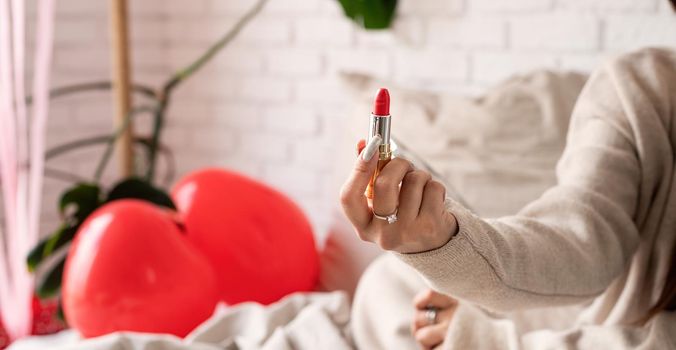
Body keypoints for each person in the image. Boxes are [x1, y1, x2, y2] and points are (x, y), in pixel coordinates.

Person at [341, 3, 676, 348]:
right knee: (386, 284)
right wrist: (444, 239)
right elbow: (581, 238)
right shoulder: (638, 85)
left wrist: (486, 339)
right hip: (587, 306)